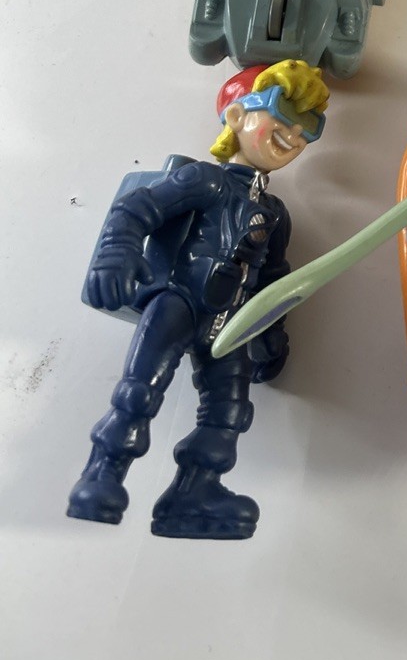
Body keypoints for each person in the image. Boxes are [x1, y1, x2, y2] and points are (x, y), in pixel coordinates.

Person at [66, 59, 329, 539]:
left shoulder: (275, 213)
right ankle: (101, 475)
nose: (292, 134)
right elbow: (137, 208)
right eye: (280, 113)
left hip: (230, 322)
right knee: (140, 391)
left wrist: (271, 333)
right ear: (236, 117)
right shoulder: (205, 180)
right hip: (178, 300)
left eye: (307, 126)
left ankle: (194, 492)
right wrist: (117, 255)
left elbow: (273, 279)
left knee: (229, 410)